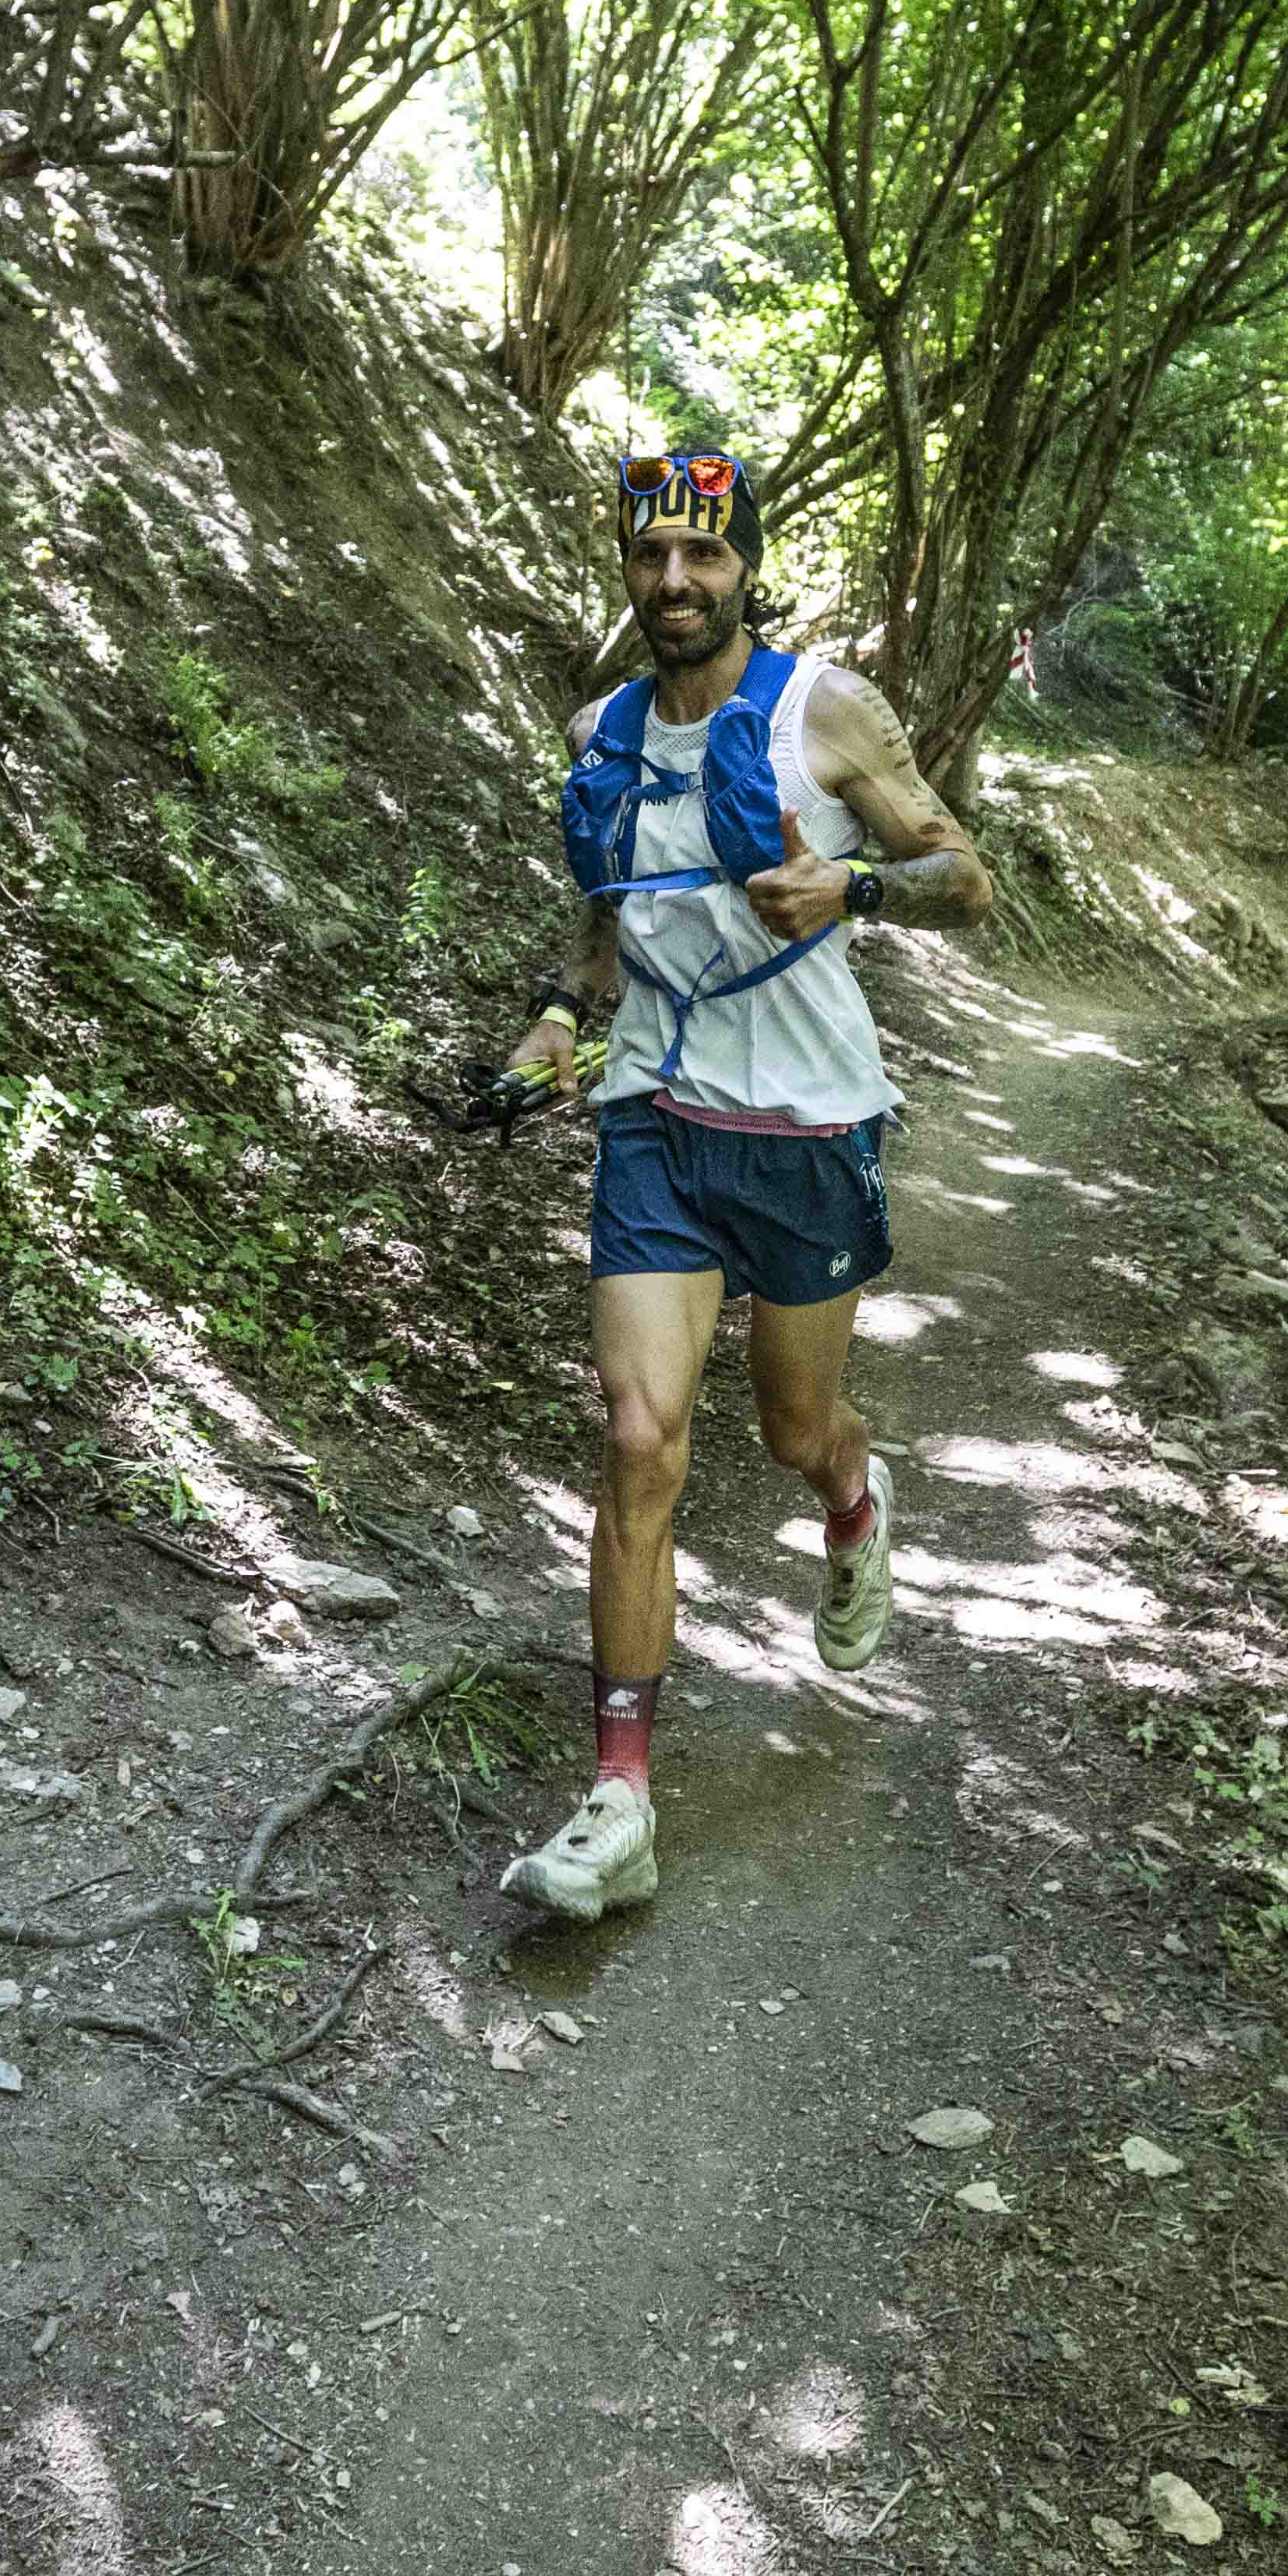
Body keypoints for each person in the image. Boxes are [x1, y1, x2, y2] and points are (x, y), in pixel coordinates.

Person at [493, 444, 995, 1922]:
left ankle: (851, 1499)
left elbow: (966, 875)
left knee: (791, 1430)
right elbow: (610, 922)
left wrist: (861, 886)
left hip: (809, 1128)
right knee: (641, 1438)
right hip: (657, 1118)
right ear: (629, 569)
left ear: (745, 569)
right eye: (652, 555)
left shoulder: (824, 713)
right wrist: (565, 1019)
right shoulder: (599, 732)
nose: (674, 583)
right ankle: (620, 1799)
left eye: (703, 557)